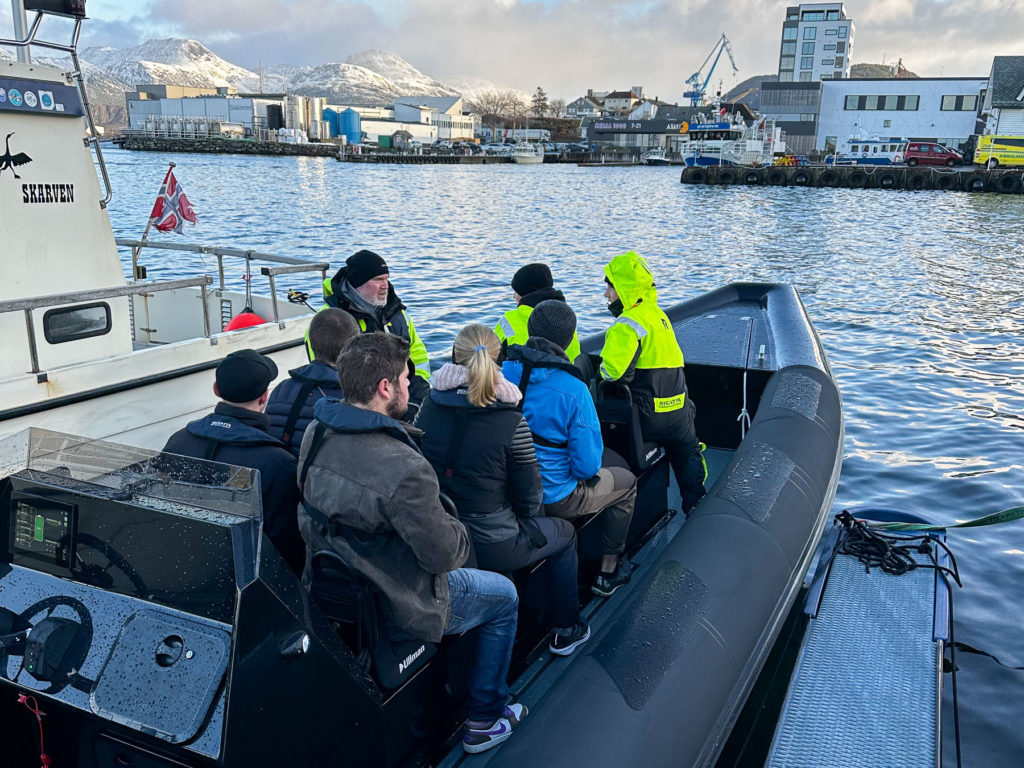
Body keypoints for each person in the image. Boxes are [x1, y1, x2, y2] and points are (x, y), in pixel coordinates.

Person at [297, 333, 526, 754]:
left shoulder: (316, 432)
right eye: (405, 378)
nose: (408, 386)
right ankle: (485, 717)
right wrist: (457, 525)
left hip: (332, 583)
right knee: (503, 595)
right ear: (385, 388)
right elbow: (444, 555)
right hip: (398, 597)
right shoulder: (403, 467)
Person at [417, 324, 589, 655]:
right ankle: (567, 628)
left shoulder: (428, 406)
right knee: (565, 534)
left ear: (454, 357)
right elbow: (529, 498)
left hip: (446, 533)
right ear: (499, 363)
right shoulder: (511, 422)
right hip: (494, 542)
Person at [503, 301, 638, 597]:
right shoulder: (574, 389)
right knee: (627, 485)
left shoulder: (503, 372)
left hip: (512, 490)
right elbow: (586, 467)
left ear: (529, 330)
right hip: (556, 498)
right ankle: (609, 570)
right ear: (569, 338)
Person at [162, 349, 304, 573]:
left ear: (216, 390)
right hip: (243, 580)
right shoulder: (278, 462)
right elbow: (287, 546)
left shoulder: (178, 441)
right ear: (265, 396)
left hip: (177, 568)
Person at [599, 251, 706, 514]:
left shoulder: (627, 324)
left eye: (610, 287)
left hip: (648, 419)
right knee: (688, 451)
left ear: (624, 288)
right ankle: (697, 505)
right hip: (680, 414)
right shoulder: (660, 317)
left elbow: (611, 372)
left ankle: (626, 507)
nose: (606, 295)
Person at [319, 249, 430, 412]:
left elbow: (417, 354)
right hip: (361, 408)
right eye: (378, 279)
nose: (385, 285)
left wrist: (417, 390)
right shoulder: (330, 320)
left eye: (386, 279)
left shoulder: (397, 312)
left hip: (404, 398)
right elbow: (326, 371)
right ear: (358, 283)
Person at [266, 308, 359, 455]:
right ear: (353, 349)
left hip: (279, 469)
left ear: (311, 343)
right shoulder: (352, 398)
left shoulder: (281, 389)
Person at [494, 262, 582, 362]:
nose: (514, 296)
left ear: (526, 291)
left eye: (516, 291)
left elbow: (493, 358)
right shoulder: (566, 316)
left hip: (520, 376)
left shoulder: (508, 320)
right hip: (566, 374)